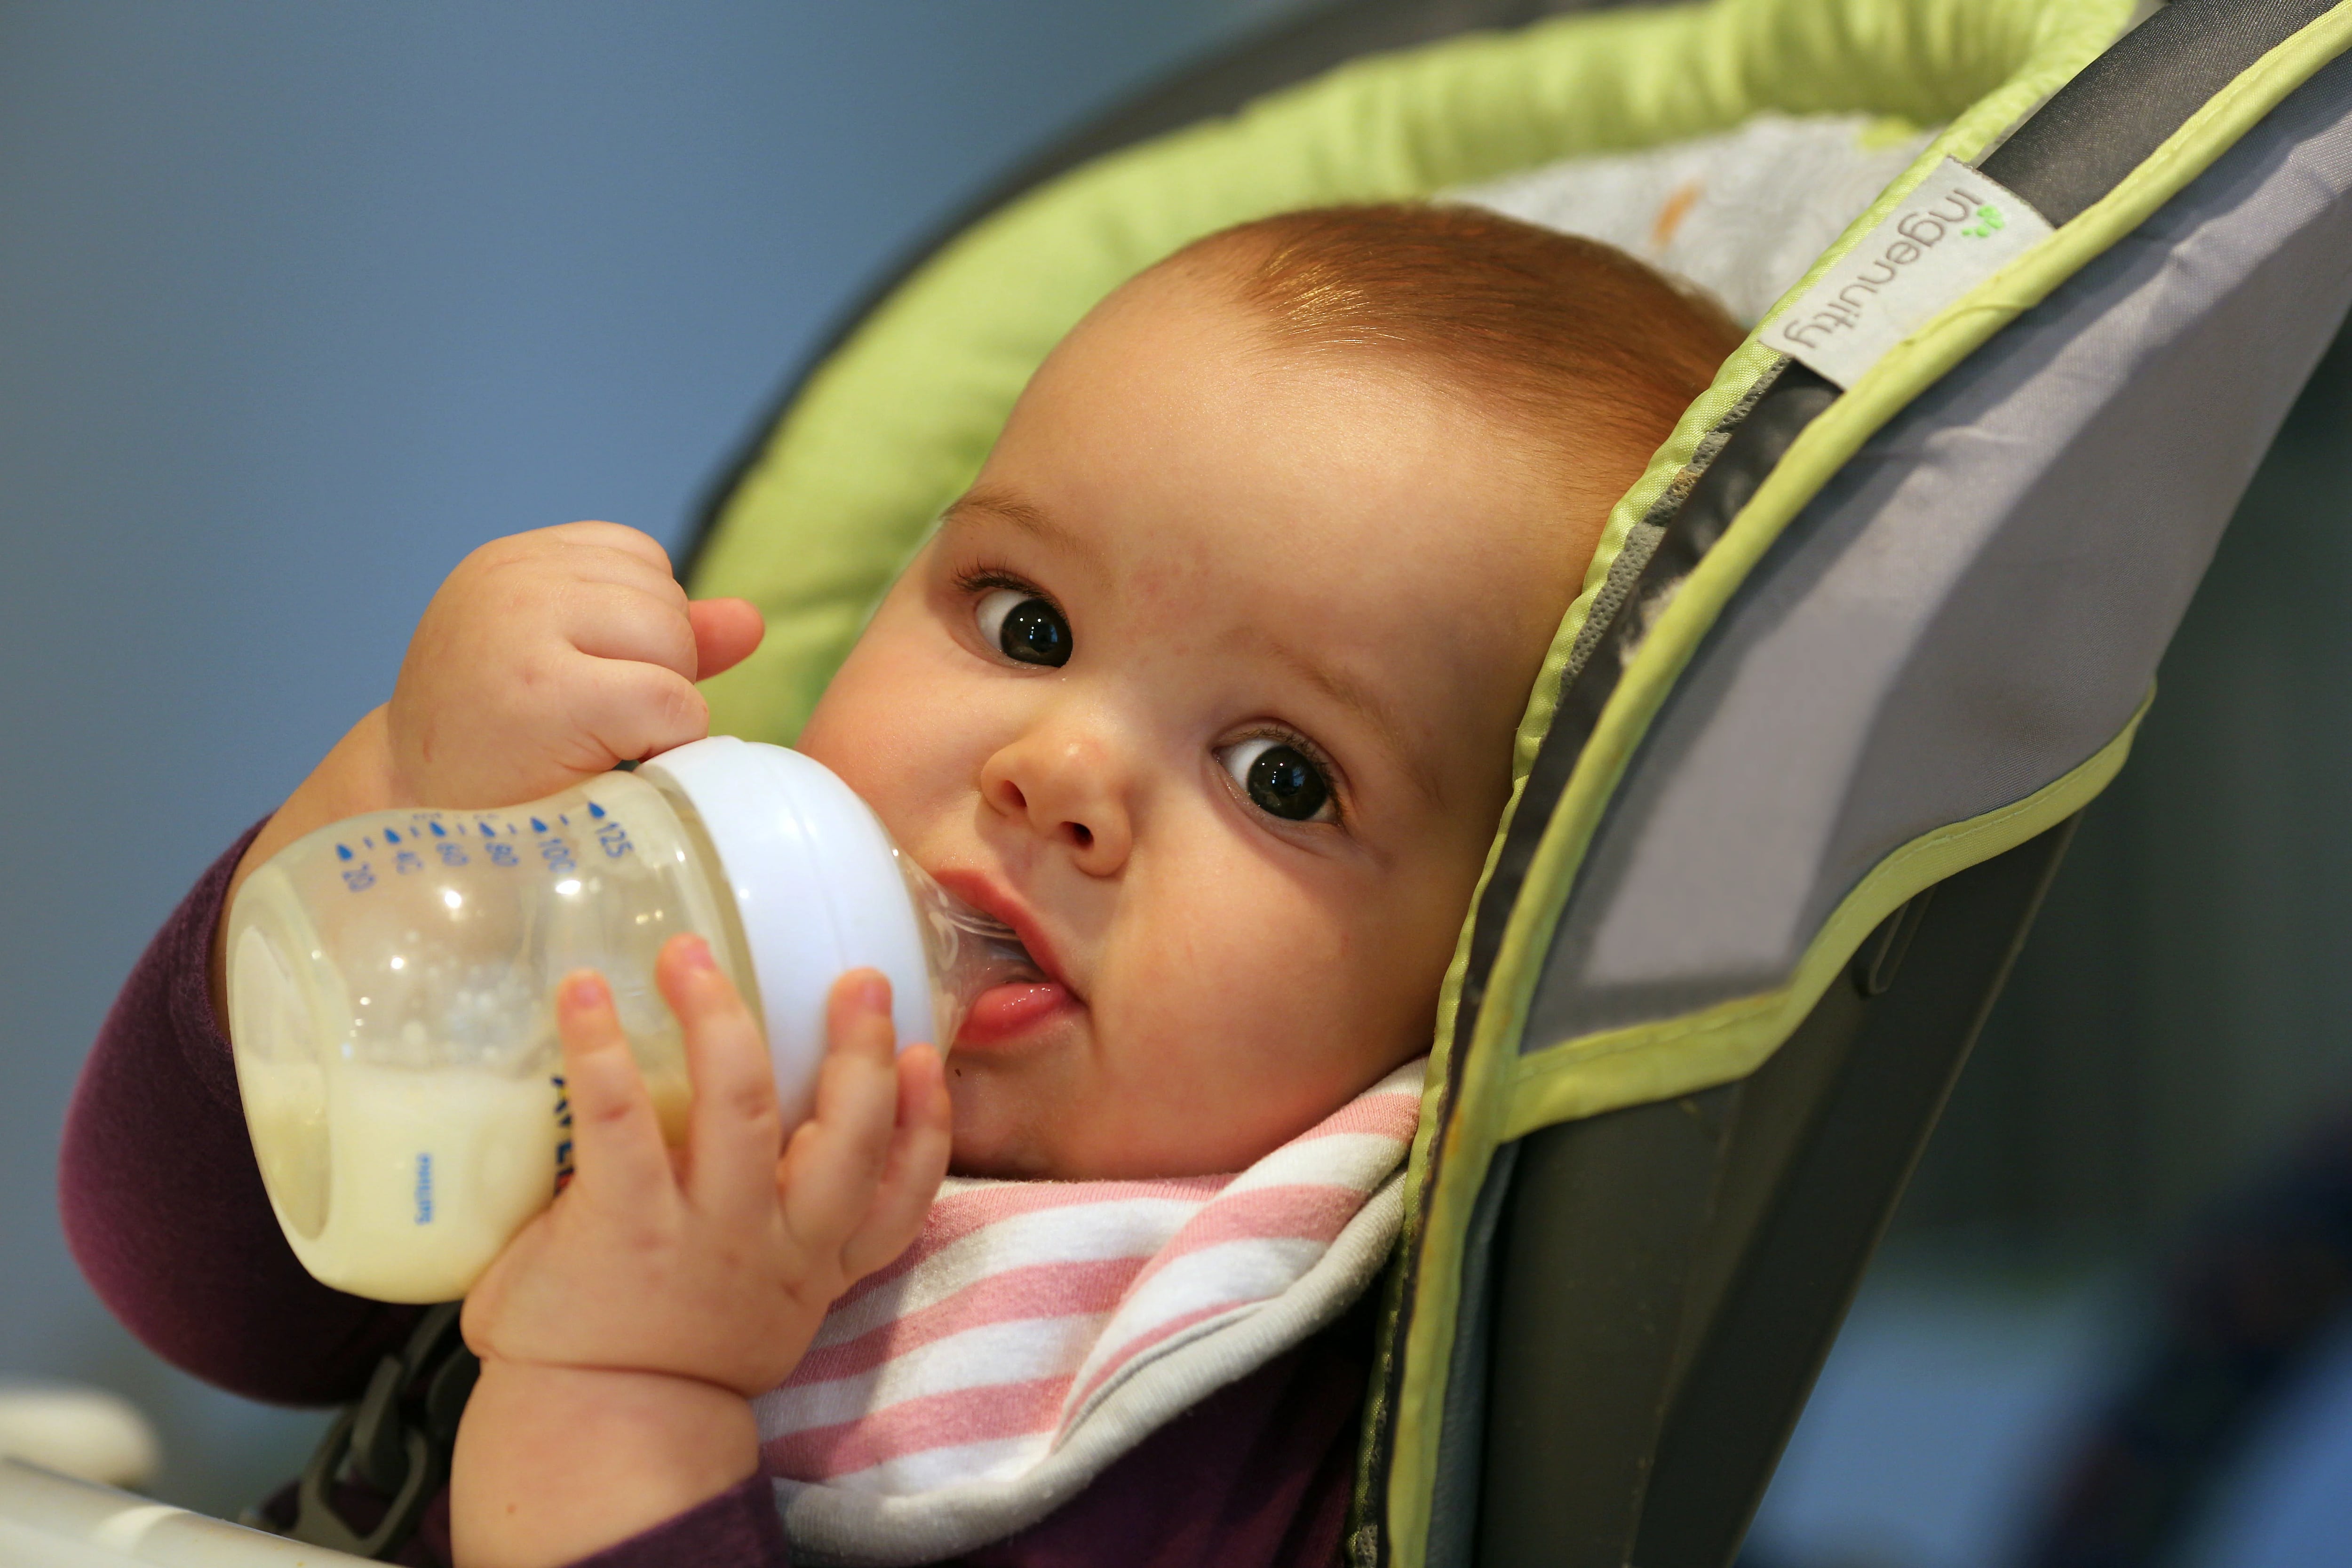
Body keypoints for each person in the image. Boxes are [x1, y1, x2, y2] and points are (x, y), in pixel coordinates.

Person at [62, 204, 1742, 1568]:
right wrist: (393, 802)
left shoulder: (1211, 1398)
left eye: (1284, 775)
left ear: (1480, 956)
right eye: (1025, 624)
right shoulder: (672, 1005)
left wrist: (623, 1404)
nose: (1058, 770)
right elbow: (197, 1291)